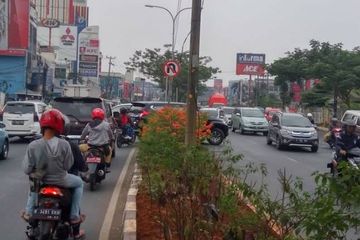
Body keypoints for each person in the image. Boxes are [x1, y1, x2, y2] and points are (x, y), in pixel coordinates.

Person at [22, 109, 85, 236]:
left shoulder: (33, 145)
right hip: (62, 179)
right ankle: (73, 215)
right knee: (79, 184)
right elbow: (68, 165)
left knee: (33, 184)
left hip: (42, 182)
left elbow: (27, 169)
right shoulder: (65, 144)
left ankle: (29, 212)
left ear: (42, 125)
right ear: (59, 126)